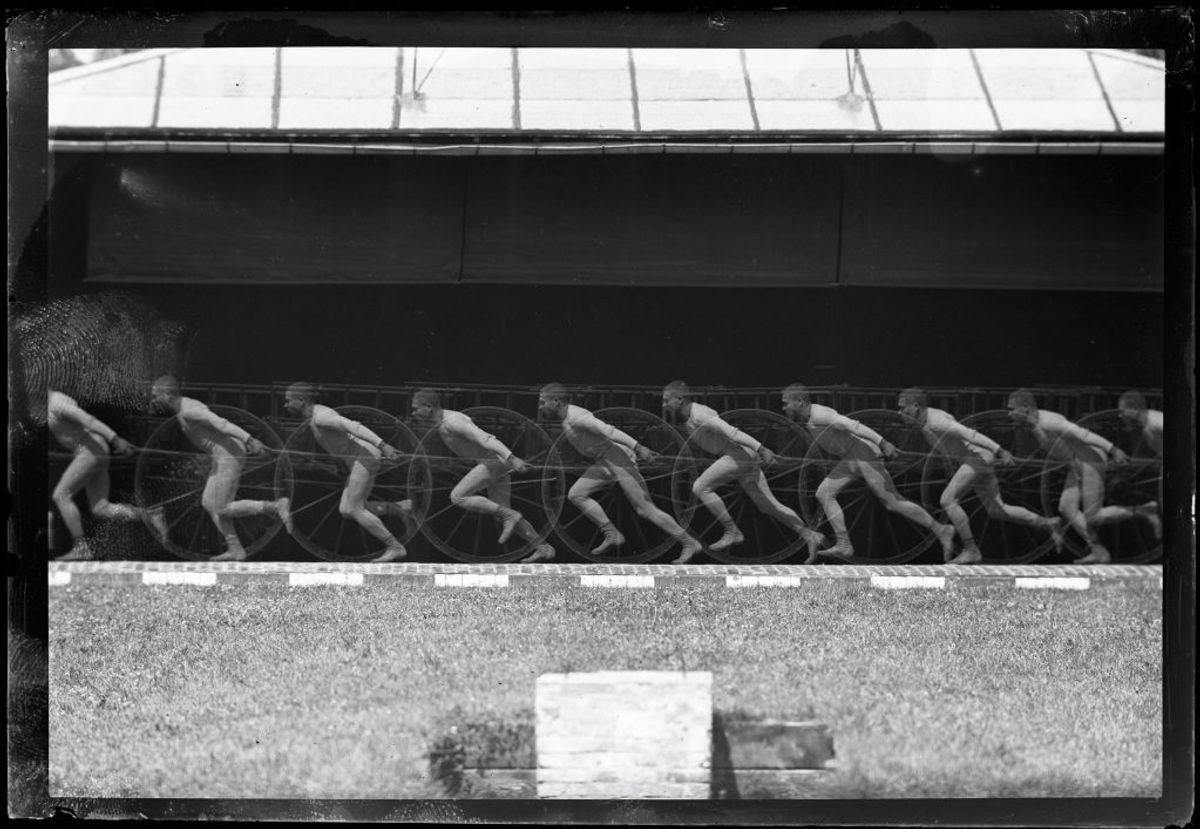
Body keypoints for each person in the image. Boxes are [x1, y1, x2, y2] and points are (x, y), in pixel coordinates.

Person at [782, 383, 955, 560]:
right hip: (851, 457)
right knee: (824, 493)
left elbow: (853, 426)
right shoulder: (808, 419)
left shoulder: (821, 415)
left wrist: (883, 443)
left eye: (786, 403)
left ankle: (942, 530)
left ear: (800, 401)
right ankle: (844, 543)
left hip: (864, 453)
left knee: (892, 501)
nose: (783, 408)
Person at [538, 383, 704, 564]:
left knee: (645, 510)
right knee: (576, 494)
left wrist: (638, 448)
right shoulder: (566, 419)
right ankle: (612, 533)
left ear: (555, 401)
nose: (540, 407)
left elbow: (609, 431)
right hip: (604, 462)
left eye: (542, 402)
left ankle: (689, 542)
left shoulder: (577, 417)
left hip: (619, 459)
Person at [662, 381, 825, 561]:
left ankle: (732, 531)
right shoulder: (689, 417)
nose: (664, 405)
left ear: (680, 399)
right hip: (739, 457)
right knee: (768, 506)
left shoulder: (700, 414)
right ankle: (811, 535)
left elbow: (732, 432)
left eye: (667, 400)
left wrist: (761, 448)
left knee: (700, 487)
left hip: (738, 455)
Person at [898, 387, 1064, 564]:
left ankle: (971, 549)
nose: (899, 412)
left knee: (947, 500)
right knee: (997, 510)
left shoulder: (936, 421)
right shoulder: (926, 422)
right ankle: (1047, 523)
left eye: (902, 408)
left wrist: (1000, 451)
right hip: (976, 459)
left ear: (916, 406)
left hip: (978, 458)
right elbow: (949, 446)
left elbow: (969, 434)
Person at [1007, 389, 1160, 564]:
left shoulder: (1050, 421)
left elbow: (1083, 434)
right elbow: (1058, 450)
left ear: (1026, 407)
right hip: (1077, 464)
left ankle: (1145, 510)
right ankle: (1098, 549)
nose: (1009, 414)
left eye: (1012, 409)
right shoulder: (1034, 426)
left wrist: (1113, 449)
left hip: (1091, 460)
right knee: (1066, 507)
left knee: (1092, 516)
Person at [150, 376, 292, 561]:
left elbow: (220, 423)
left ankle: (275, 506)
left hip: (229, 454)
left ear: (167, 395)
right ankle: (235, 549)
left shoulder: (189, 410)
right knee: (209, 503)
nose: (153, 400)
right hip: (223, 455)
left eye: (155, 396)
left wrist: (250, 439)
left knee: (221, 507)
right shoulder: (184, 409)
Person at [411, 389, 555, 563]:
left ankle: (510, 515)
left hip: (493, 463)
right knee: (502, 511)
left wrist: (512, 457)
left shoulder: (452, 422)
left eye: (416, 409)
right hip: (494, 463)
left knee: (458, 497)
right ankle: (542, 547)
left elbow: (485, 438)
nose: (414, 413)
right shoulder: (444, 422)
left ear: (429, 406)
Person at [283, 382, 412, 562]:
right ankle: (397, 508)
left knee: (354, 508)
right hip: (359, 459)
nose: (285, 405)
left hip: (365, 457)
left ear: (302, 400)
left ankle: (395, 546)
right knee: (346, 510)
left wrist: (383, 445)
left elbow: (353, 427)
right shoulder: (315, 416)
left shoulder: (321, 417)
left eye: (288, 401)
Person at [48, 389, 168, 561]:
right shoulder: (45, 404)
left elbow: (87, 420)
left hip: (90, 450)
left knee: (61, 494)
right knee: (101, 508)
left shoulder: (57, 403)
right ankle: (149, 514)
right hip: (93, 450)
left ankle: (81, 547)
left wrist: (115, 438)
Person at [1116, 390, 1164, 457]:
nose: (1120, 416)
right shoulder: (1144, 428)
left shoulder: (1156, 421)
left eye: (1122, 412)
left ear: (1135, 409)